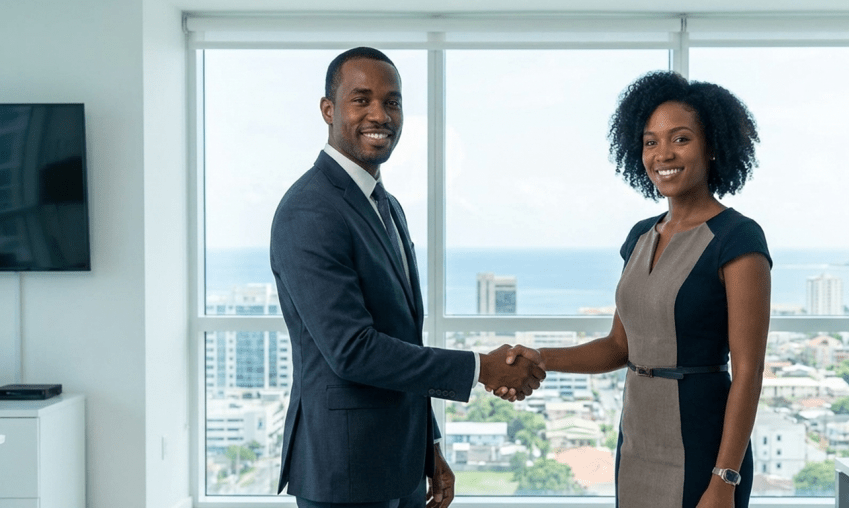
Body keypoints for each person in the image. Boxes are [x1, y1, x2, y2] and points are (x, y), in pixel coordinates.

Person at [270, 47, 545, 508]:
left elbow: (403, 338)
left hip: (401, 464)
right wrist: (480, 368)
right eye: (361, 100)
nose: (380, 114)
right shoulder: (310, 208)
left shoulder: (386, 205)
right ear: (328, 109)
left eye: (392, 102)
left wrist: (428, 445)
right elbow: (352, 350)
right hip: (345, 471)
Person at [499, 70, 771, 508]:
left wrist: (725, 478)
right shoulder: (641, 236)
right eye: (650, 141)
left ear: (714, 146)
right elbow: (618, 347)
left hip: (703, 442)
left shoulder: (738, 238)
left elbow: (749, 371)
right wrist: (542, 359)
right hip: (638, 437)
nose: (663, 153)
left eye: (680, 139)